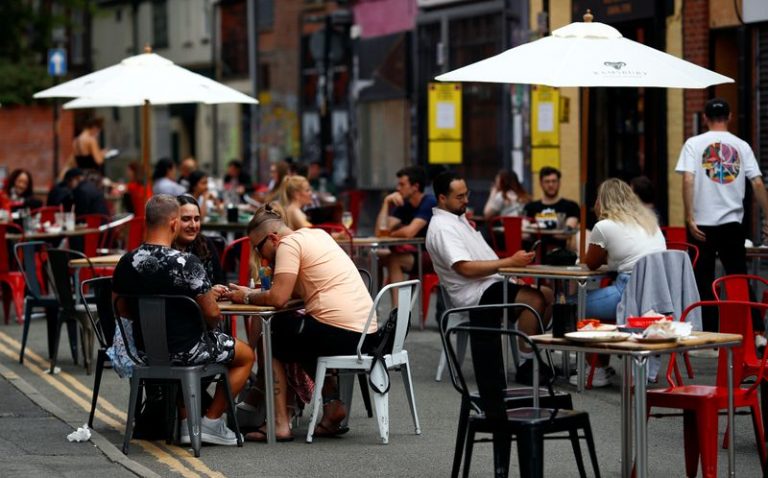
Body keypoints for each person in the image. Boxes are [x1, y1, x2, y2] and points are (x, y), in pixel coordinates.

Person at [224, 204, 376, 441]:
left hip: (342, 333)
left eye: (258, 247)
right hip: (365, 332)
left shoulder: (288, 245)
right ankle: (332, 405)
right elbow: (292, 293)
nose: (260, 255)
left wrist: (245, 296)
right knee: (295, 333)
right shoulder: (316, 235)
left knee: (273, 332)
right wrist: (251, 292)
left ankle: (279, 424)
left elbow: (278, 298)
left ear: (273, 238)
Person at [112, 194, 255, 446]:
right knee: (245, 355)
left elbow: (121, 308)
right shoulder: (186, 262)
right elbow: (212, 314)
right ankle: (211, 422)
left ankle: (188, 421)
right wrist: (209, 328)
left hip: (146, 354)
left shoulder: (126, 262)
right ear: (173, 223)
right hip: (187, 351)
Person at [426, 171, 553, 385]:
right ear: (442, 198)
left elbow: (482, 257)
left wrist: (511, 277)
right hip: (474, 294)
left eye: (466, 194)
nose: (466, 200)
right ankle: (527, 365)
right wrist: (509, 263)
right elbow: (465, 268)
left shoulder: (458, 218)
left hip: (489, 284)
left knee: (547, 294)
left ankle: (530, 357)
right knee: (534, 299)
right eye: (460, 196)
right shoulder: (441, 228)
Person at [675, 97, 768, 332]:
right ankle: (754, 331)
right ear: (729, 117)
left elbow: (688, 179)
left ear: (704, 118)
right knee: (738, 277)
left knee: (702, 280)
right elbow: (757, 184)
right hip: (732, 223)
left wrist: (689, 216)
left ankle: (709, 331)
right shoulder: (741, 146)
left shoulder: (693, 144)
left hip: (701, 224)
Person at [569, 178, 666, 386]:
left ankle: (597, 369)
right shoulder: (650, 223)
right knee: (595, 304)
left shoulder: (604, 226)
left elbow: (592, 264)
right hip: (658, 297)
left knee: (574, 305)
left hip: (628, 292)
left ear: (602, 201)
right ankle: (602, 363)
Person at [375, 166, 437, 286]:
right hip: (415, 252)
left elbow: (409, 232)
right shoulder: (404, 205)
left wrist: (391, 234)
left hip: (434, 256)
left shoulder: (429, 202)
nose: (398, 188)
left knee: (395, 260)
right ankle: (372, 301)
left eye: (402, 184)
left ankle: (398, 305)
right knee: (376, 257)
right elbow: (379, 231)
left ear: (415, 187)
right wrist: (386, 203)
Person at [523, 166, 580, 250]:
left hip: (561, 253)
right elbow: (524, 234)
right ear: (541, 184)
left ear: (559, 183)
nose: (551, 185)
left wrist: (537, 231)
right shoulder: (530, 207)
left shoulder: (571, 206)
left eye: (554, 181)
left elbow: (566, 233)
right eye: (547, 181)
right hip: (534, 252)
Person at [174, 194, 226, 285]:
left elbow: (220, 281)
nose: (193, 225)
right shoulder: (163, 248)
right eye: (186, 219)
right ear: (173, 221)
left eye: (197, 219)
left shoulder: (205, 243)